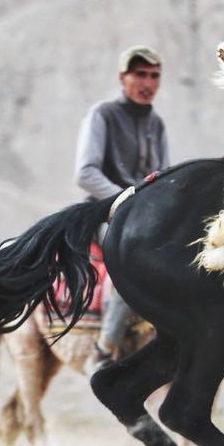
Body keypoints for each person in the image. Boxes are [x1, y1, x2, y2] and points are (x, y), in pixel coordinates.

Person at [75, 45, 169, 366]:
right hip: (105, 214)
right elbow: (85, 173)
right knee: (131, 265)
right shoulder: (103, 115)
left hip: (146, 218)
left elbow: (162, 176)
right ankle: (103, 350)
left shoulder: (156, 124)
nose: (147, 82)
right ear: (122, 78)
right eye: (139, 74)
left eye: (154, 76)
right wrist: (124, 198)